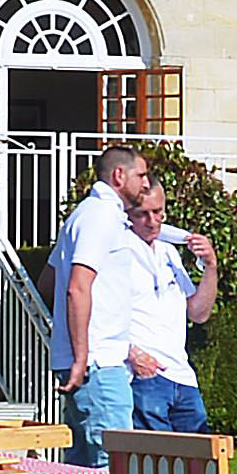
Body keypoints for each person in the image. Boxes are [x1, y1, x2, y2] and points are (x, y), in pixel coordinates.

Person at [85, 169, 220, 440]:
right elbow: (93, 308)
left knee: (199, 465)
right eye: (143, 214)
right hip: (144, 376)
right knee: (155, 468)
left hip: (182, 376)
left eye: (158, 212)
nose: (152, 221)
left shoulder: (169, 251)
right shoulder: (118, 248)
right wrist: (133, 355)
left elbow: (198, 312)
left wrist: (211, 267)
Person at [49, 148, 155, 466]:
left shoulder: (86, 214)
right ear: (119, 176)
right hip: (98, 364)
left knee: (83, 468)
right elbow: (77, 287)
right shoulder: (101, 216)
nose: (146, 184)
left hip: (94, 363)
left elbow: (49, 280)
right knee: (111, 466)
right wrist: (82, 357)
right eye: (141, 175)